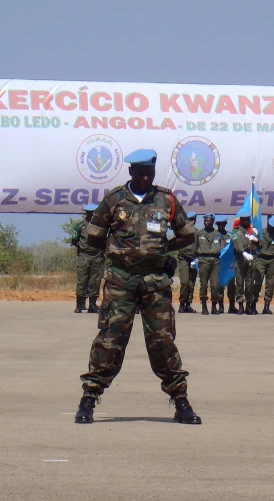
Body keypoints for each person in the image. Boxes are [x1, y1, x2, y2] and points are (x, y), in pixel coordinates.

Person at [74, 148, 201, 425]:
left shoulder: (166, 200)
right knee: (110, 340)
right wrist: (119, 251)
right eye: (141, 173)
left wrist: (164, 249)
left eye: (150, 174)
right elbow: (94, 237)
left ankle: (181, 402)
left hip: (156, 283)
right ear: (131, 172)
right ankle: (88, 399)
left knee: (163, 342)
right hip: (121, 282)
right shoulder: (114, 200)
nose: (145, 178)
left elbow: (187, 234)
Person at [71, 204, 106, 314]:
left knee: (95, 281)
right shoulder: (80, 226)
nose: (91, 215)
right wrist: (83, 249)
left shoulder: (101, 226)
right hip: (84, 256)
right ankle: (79, 305)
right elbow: (74, 241)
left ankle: (92, 304)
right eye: (88, 212)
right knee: (82, 280)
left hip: (97, 257)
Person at [232, 211, 259, 314]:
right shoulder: (235, 231)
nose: (246, 222)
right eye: (244, 220)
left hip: (252, 257)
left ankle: (248, 305)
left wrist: (256, 239)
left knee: (250, 283)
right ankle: (240, 305)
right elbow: (237, 243)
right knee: (239, 282)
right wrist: (243, 253)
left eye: (248, 220)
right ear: (241, 220)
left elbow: (261, 244)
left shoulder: (253, 230)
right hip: (240, 257)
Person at [196, 213, 223, 315]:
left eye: (208, 221)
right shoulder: (199, 233)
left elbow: (222, 247)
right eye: (205, 221)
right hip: (203, 260)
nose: (206, 222)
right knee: (203, 284)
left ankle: (214, 306)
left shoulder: (218, 234)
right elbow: (195, 247)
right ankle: (203, 305)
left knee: (215, 285)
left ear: (212, 222)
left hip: (215, 261)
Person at [253, 217, 274, 314]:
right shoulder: (261, 233)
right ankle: (253, 304)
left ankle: (267, 306)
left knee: (270, 284)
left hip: (272, 260)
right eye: (273, 227)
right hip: (261, 258)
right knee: (258, 282)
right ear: (268, 226)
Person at [177, 211, 199, 313]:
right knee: (184, 282)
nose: (190, 221)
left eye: (191, 220)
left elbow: (200, 247)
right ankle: (182, 303)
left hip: (194, 260)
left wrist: (197, 259)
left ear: (194, 220)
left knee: (191, 283)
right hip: (183, 259)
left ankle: (188, 304)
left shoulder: (198, 233)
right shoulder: (182, 232)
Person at [215, 215, 237, 314]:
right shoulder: (214, 235)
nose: (221, 226)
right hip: (218, 264)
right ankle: (221, 306)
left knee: (232, 285)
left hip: (229, 265)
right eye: (219, 224)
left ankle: (232, 306)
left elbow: (235, 247)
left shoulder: (230, 235)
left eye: (223, 224)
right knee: (219, 286)